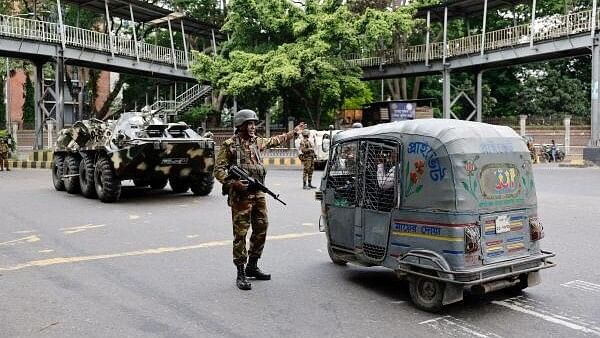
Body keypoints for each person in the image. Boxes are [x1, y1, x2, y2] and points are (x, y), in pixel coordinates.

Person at [214, 109, 306, 290]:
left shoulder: (257, 142)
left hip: (258, 193)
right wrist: (233, 183)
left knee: (262, 227)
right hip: (241, 196)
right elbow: (218, 170)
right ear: (240, 125)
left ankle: (252, 266)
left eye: (254, 124)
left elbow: (275, 140)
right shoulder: (230, 145)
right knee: (240, 233)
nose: (253, 127)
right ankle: (240, 272)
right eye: (249, 124)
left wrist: (294, 132)